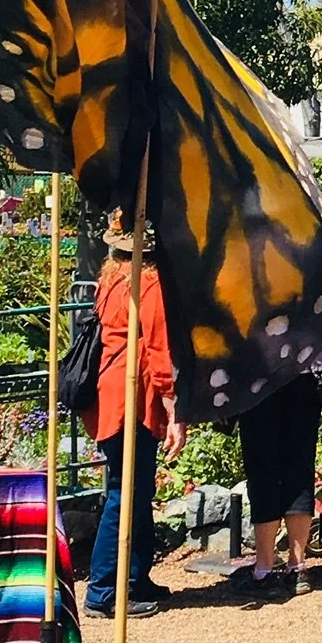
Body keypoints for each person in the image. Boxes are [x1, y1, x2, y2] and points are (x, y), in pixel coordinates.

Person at [82, 217, 187, 619]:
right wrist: (174, 407)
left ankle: (135, 576)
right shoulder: (149, 285)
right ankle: (103, 589)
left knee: (134, 489)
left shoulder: (110, 279)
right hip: (132, 396)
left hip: (110, 393)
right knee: (125, 494)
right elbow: (160, 352)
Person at [229, 374, 322, 597]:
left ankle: (264, 570)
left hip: (259, 374)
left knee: (263, 469)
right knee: (300, 468)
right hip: (305, 368)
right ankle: (297, 568)